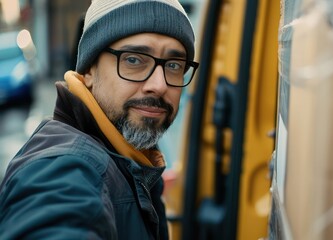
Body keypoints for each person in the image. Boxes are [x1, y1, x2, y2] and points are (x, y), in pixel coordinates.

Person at [0, 0, 199, 239]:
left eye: (174, 65)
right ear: (89, 70)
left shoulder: (133, 161)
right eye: (133, 60)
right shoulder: (64, 171)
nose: (159, 85)